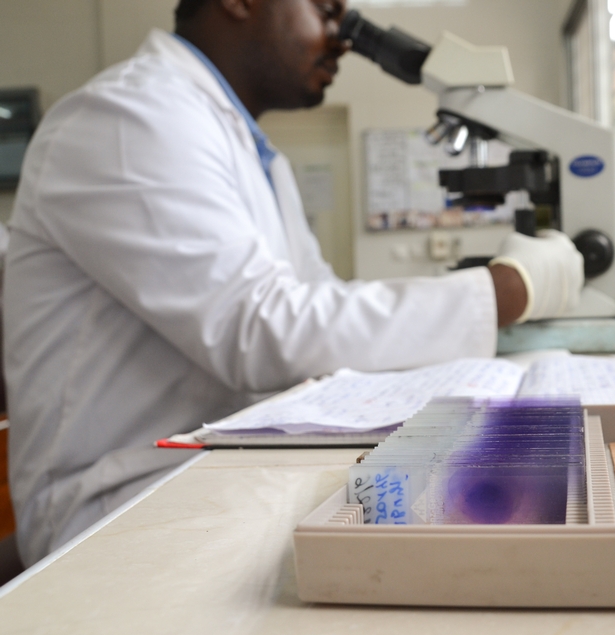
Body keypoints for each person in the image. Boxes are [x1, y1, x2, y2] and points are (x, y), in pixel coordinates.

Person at [2, 0, 584, 567]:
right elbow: (262, 330)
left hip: (219, 470)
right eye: (327, 10)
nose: (344, 37)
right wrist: (505, 291)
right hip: (115, 510)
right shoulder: (128, 117)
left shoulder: (259, 157)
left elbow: (317, 315)